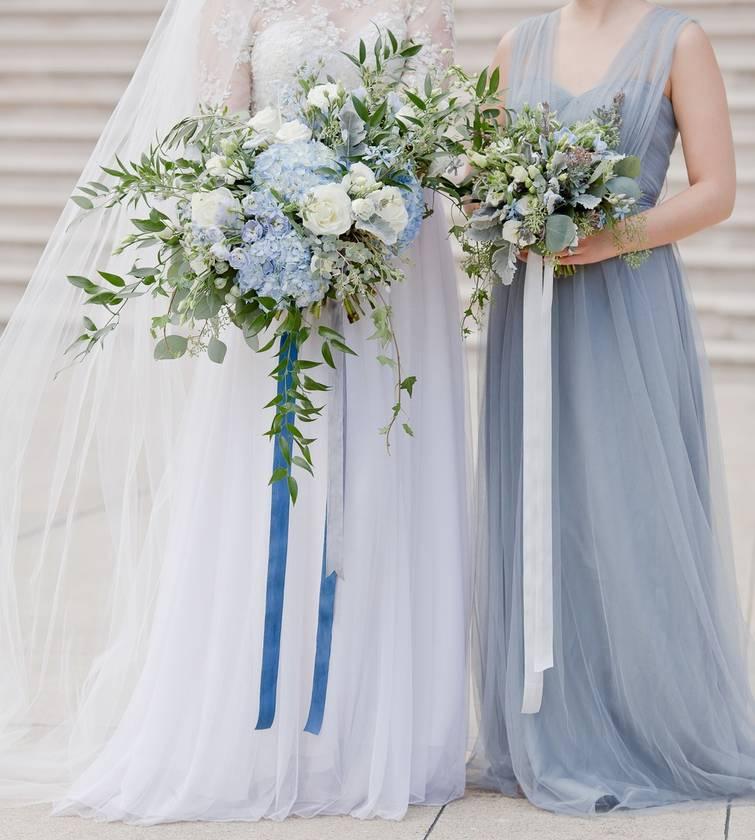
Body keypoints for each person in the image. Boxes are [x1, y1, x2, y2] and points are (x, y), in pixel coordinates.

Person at [0, 0, 468, 823]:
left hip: (393, 269)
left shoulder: (418, 7)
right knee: (268, 480)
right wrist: (274, 224)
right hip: (275, 267)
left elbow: (436, 140)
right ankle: (257, 725)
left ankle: (366, 730)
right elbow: (218, 144)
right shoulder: (232, 7)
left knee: (382, 476)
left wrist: (370, 214)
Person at [470, 0, 755, 815]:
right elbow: (481, 182)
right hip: (531, 314)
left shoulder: (679, 40)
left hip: (626, 307)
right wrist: (505, 218)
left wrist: (610, 236)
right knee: (545, 505)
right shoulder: (514, 43)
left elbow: (718, 191)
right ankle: (550, 717)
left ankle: (650, 717)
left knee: (632, 506)